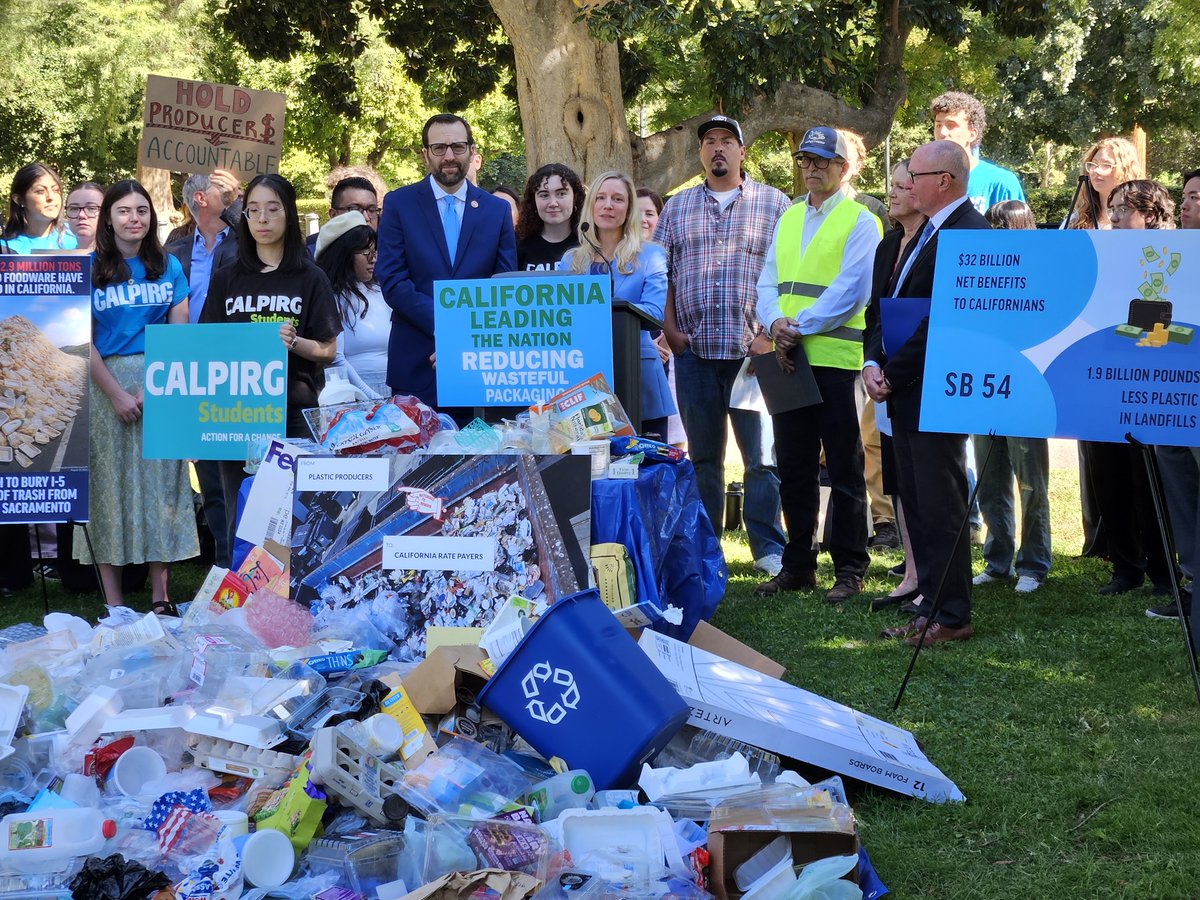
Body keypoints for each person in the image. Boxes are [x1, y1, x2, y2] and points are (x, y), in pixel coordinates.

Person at [863, 139, 990, 646]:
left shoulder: (970, 232)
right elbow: (887, 304)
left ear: (945, 181)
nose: (907, 184)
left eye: (915, 175)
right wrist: (874, 361)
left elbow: (945, 320)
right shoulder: (923, 232)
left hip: (934, 387)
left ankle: (952, 614)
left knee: (941, 503)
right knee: (917, 499)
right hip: (904, 387)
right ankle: (931, 605)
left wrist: (893, 371)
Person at [754, 126, 882, 600]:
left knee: (845, 468)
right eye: (805, 160)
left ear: (845, 168)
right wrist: (774, 324)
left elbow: (852, 292)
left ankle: (850, 567)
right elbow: (767, 280)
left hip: (832, 359)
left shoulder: (862, 221)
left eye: (822, 161)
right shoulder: (788, 217)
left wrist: (793, 327)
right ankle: (799, 565)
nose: (811, 168)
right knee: (794, 464)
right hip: (789, 357)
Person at [657, 115, 788, 574]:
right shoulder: (676, 208)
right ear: (700, 153)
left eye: (727, 141)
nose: (718, 149)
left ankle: (769, 549)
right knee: (705, 458)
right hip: (694, 354)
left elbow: (787, 276)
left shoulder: (775, 204)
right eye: (709, 141)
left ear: (741, 151)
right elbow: (663, 275)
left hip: (754, 354)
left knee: (761, 459)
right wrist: (671, 331)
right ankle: (707, 549)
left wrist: (768, 333)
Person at [76, 180, 197, 614]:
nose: (134, 219)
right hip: (104, 382)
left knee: (161, 485)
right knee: (107, 489)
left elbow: (179, 332)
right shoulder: (89, 269)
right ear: (108, 217)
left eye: (142, 211)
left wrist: (152, 385)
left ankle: (161, 597)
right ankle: (114, 602)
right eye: (124, 211)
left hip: (161, 380)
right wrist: (115, 394)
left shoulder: (168, 266)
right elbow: (80, 341)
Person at [201, 174, 341, 548]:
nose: (262, 219)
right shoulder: (227, 278)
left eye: (272, 209)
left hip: (293, 410)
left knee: (291, 513)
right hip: (237, 412)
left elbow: (327, 350)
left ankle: (289, 601)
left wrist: (294, 342)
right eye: (253, 210)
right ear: (244, 218)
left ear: (289, 214)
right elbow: (205, 343)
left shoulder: (310, 277)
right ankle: (238, 598)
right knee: (241, 511)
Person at [375, 113, 516, 412]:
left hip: (480, 363)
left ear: (472, 152)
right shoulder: (398, 205)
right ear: (425, 154)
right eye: (439, 148)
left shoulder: (497, 211)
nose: (449, 156)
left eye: (458, 147)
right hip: (416, 363)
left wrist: (464, 339)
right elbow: (392, 280)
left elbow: (502, 286)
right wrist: (450, 328)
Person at [1079, 179, 1177, 598]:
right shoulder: (1100, 255)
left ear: (1151, 216)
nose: (1114, 215)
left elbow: (1162, 332)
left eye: (1124, 209)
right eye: (1113, 208)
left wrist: (1118, 329)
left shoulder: (1173, 258)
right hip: (1103, 384)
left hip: (1150, 389)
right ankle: (1125, 568)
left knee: (1147, 480)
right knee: (1109, 475)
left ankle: (1162, 570)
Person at [968, 200, 1053, 595]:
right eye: (990, 227)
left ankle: (1033, 565)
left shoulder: (1040, 273)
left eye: (1001, 228)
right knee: (990, 479)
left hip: (1025, 392)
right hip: (985, 388)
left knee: (1031, 483)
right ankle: (998, 560)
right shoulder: (980, 272)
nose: (993, 235)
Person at [1066, 138, 1145, 560]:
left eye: (1105, 164)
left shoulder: (1137, 221)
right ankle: (1102, 539)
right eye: (1092, 163)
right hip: (1085, 345)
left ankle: (1140, 544)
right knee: (1094, 451)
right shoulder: (1078, 221)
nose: (1095, 170)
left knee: (1131, 455)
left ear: (1124, 169)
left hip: (1130, 347)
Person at [563, 171, 674, 438]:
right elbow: (563, 317)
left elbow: (656, 313)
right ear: (591, 207)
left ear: (629, 209)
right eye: (600, 198)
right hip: (583, 376)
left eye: (617, 199)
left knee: (647, 468)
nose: (608, 205)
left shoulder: (652, 256)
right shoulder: (570, 261)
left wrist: (604, 309)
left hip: (639, 374)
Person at [869, 160, 926, 611]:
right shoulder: (887, 245)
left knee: (923, 478)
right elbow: (875, 312)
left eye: (902, 186)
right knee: (899, 480)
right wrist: (871, 361)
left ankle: (932, 571)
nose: (892, 193)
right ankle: (910, 570)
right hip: (884, 381)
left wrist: (893, 372)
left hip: (919, 380)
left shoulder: (935, 242)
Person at [1147, 167, 1200, 619]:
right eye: (1185, 195)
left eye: (1197, 197)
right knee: (1182, 495)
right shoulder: (1168, 257)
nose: (1185, 204)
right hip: (1170, 401)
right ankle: (1193, 585)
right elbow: (1145, 326)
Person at [315, 211, 390, 398]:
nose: (373, 259)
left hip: (389, 390)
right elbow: (336, 357)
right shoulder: (331, 297)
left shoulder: (382, 292)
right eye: (366, 253)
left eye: (375, 251)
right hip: (352, 395)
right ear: (344, 255)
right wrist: (370, 396)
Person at [930, 91, 1025, 213]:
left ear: (972, 134)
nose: (942, 132)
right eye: (938, 125)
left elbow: (1017, 229)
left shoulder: (1001, 181)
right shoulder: (923, 181)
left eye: (951, 125)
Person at [515, 163, 584, 271]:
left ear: (575, 197)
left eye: (561, 194)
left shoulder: (590, 244)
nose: (553, 203)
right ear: (534, 200)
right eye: (544, 195)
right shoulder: (518, 244)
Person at [1, 163, 77, 253]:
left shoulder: (78, 235)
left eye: (56, 190)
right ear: (19, 200)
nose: (50, 197)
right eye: (40, 191)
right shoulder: (5, 247)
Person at [306, 176, 381, 256]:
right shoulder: (309, 257)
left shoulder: (388, 254)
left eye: (372, 210)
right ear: (333, 215)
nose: (366, 218)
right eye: (354, 209)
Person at [65, 182, 105, 251]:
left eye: (91, 208)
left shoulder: (123, 258)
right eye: (74, 208)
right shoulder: (61, 259)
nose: (81, 215)